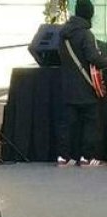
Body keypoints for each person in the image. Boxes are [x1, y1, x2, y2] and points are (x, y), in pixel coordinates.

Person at [56, 0, 107, 167]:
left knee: (67, 124)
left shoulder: (63, 34)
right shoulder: (86, 34)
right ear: (89, 14)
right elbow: (94, 58)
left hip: (66, 87)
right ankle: (87, 156)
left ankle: (64, 156)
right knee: (90, 123)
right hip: (85, 88)